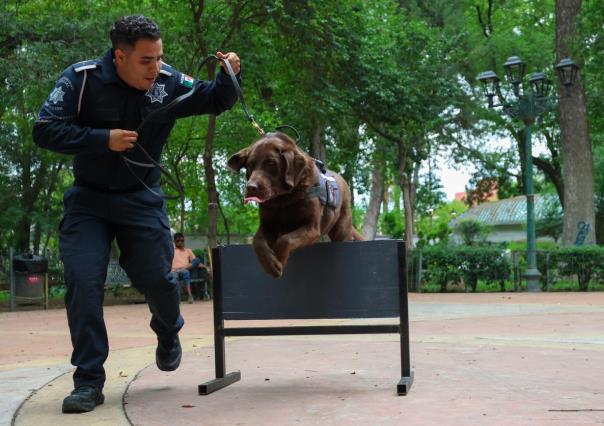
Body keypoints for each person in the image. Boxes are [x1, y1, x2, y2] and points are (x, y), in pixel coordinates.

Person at [32, 15, 240, 414]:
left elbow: (216, 99)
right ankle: (88, 382)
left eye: (160, 58)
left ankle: (168, 330)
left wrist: (231, 74)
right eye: (147, 60)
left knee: (159, 281)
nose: (156, 68)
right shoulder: (82, 80)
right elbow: (44, 129)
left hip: (141, 200)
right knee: (82, 280)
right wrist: (100, 140)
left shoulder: (168, 82)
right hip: (88, 203)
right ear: (120, 56)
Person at [171, 233, 207, 304]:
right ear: (174, 241)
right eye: (178, 241)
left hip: (185, 270)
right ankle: (177, 299)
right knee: (177, 274)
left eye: (182, 240)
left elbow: (196, 262)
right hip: (174, 271)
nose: (180, 242)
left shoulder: (188, 250)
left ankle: (190, 296)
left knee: (196, 260)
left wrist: (206, 267)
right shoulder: (171, 250)